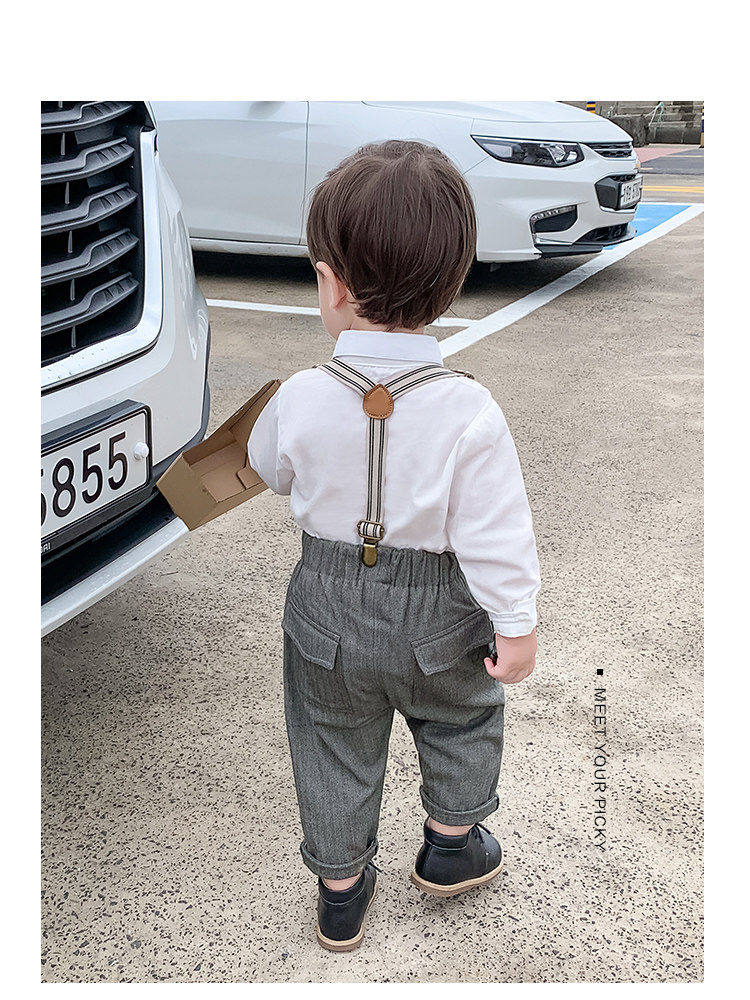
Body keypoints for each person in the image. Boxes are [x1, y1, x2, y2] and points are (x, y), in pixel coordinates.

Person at [247, 139, 540, 952]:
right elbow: (498, 532)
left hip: (326, 611)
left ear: (332, 284)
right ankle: (451, 845)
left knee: (331, 738)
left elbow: (267, 469)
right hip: (439, 613)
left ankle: (341, 890)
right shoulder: (471, 410)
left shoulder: (300, 395)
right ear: (452, 281)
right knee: (461, 717)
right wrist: (516, 624)